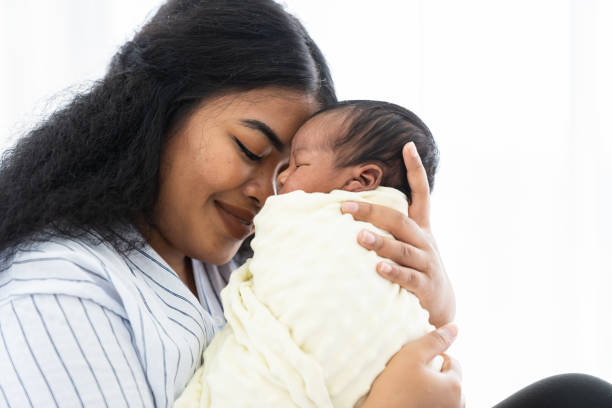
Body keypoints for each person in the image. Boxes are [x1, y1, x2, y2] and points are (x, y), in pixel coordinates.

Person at [0, 1, 460, 407]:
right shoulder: (58, 293)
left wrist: (426, 299)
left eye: (289, 171)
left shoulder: (235, 261)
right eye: (250, 150)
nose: (269, 194)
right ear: (157, 112)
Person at [174, 100, 445, 408]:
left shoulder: (356, 237)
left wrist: (437, 310)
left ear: (363, 181)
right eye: (249, 150)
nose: (275, 185)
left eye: (295, 165)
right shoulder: (109, 289)